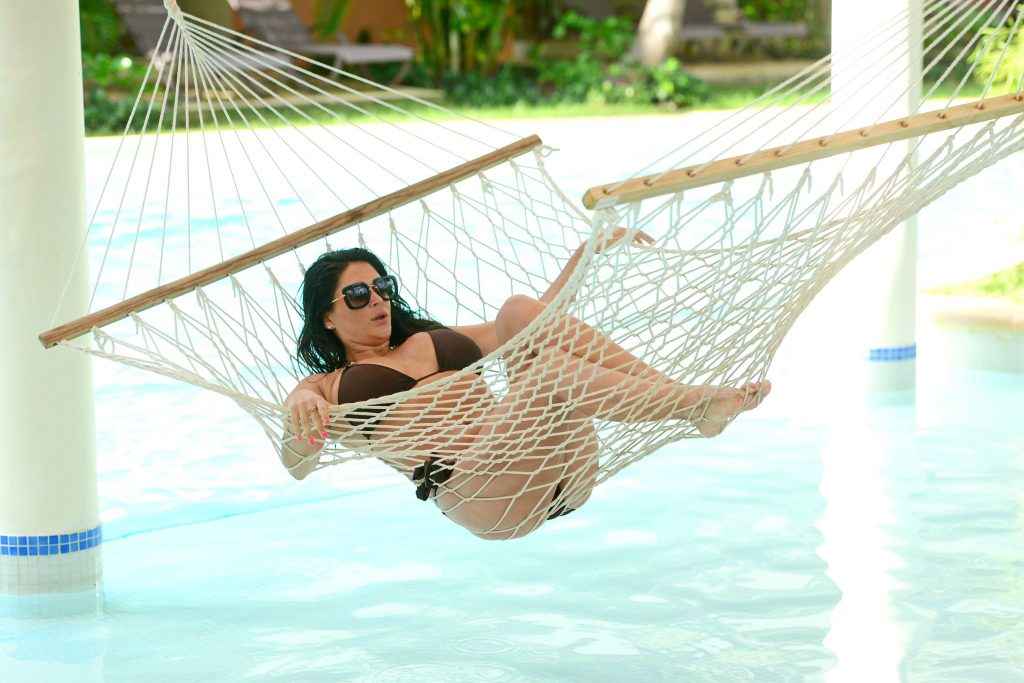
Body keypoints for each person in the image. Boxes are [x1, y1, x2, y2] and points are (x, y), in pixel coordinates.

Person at [282, 229, 771, 540]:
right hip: (481, 491)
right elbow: (296, 462)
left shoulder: (431, 338)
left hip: (550, 462)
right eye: (358, 294)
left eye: (382, 287)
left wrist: (584, 257)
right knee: (544, 371)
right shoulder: (326, 388)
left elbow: (538, 323)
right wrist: (302, 408)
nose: (376, 300)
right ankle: (692, 405)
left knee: (517, 311)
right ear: (327, 316)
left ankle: (686, 398)